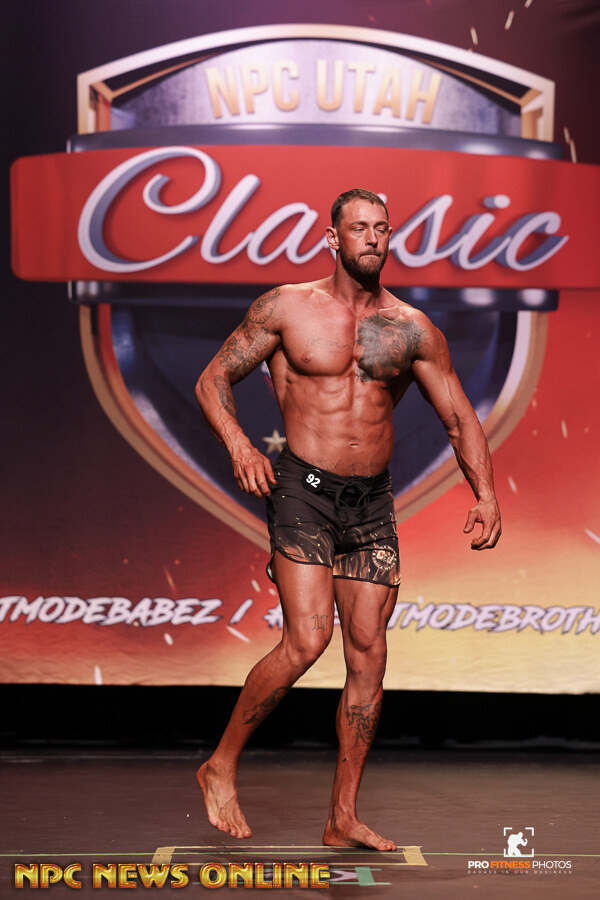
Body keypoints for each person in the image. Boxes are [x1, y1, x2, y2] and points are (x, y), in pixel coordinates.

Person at [194, 188, 501, 851]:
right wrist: (241, 446)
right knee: (307, 641)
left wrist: (486, 493)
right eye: (358, 228)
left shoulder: (412, 328)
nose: (372, 238)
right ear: (332, 238)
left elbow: (457, 415)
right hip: (303, 493)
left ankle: (342, 816)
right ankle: (219, 764)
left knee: (370, 657)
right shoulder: (287, 307)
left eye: (381, 228)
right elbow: (212, 380)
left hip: (371, 505)